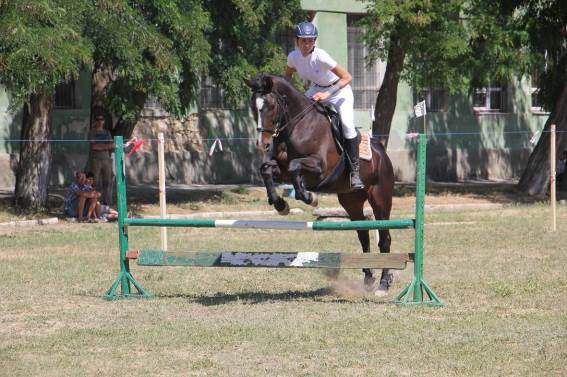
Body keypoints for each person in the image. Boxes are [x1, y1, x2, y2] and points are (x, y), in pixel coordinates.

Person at [285, 21, 363, 189]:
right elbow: (288, 79)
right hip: (315, 89)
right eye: (303, 40)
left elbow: (347, 77)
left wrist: (328, 94)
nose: (306, 44)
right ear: (297, 41)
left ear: (314, 41)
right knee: (296, 114)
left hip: (339, 91)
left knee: (348, 126)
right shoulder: (293, 57)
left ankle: (354, 172)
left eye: (310, 40)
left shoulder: (321, 56)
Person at [89, 115, 115, 206]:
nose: (100, 121)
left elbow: (112, 145)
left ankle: (107, 203)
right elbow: (94, 146)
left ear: (104, 121)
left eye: (102, 119)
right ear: (95, 121)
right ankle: (95, 203)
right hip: (96, 160)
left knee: (107, 181)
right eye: (98, 119)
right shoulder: (92, 132)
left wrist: (101, 146)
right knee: (95, 182)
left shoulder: (107, 132)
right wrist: (105, 146)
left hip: (106, 159)